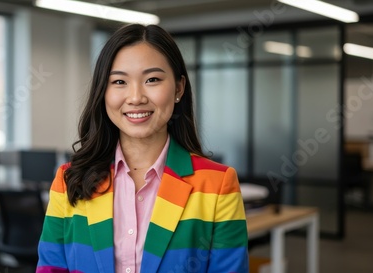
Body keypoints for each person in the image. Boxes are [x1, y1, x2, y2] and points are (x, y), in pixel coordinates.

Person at [36, 24, 248, 273]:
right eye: (119, 81)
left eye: (152, 79)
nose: (135, 97)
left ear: (179, 88)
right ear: (103, 92)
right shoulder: (69, 180)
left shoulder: (218, 185)